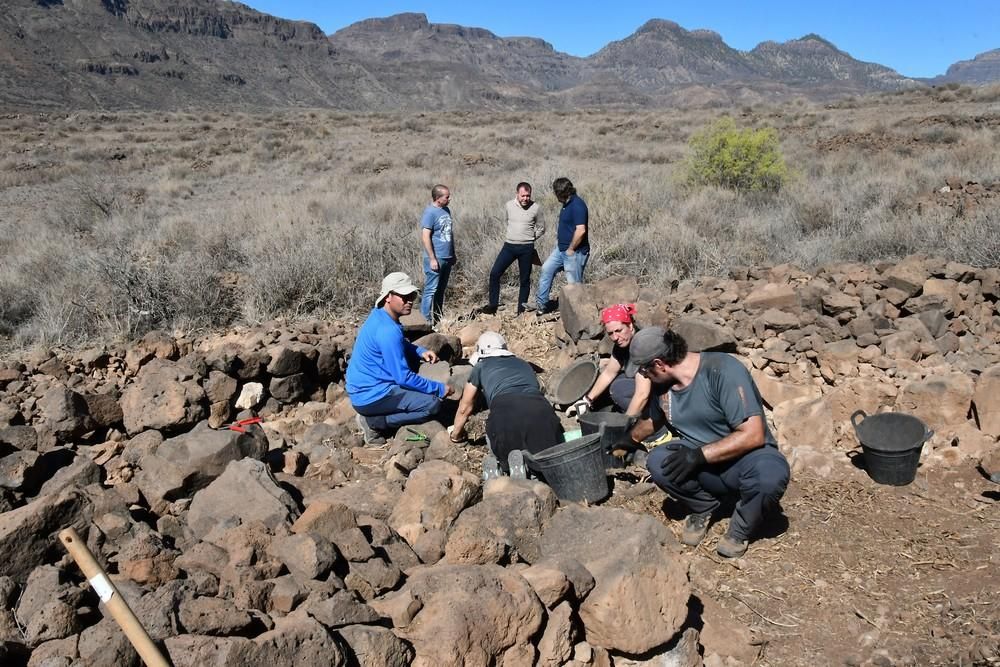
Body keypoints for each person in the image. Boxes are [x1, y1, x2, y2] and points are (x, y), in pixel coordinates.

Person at [617, 327, 790, 558]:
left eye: (644, 369)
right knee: (658, 461)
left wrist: (698, 456)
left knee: (770, 475)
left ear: (659, 364)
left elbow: (753, 434)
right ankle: (704, 506)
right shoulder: (663, 385)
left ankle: (740, 529)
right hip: (706, 466)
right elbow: (654, 420)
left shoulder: (723, 370)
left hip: (745, 460)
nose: (643, 375)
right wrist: (628, 440)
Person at [347, 272, 454, 444]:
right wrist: (438, 388)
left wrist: (418, 351)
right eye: (404, 296)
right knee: (432, 405)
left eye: (411, 295)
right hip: (371, 396)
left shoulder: (379, 315)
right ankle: (374, 423)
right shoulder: (388, 330)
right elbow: (403, 377)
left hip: (362, 389)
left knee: (414, 373)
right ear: (388, 297)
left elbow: (396, 345)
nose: (410, 300)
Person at [450, 332, 563, 474]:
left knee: (502, 444)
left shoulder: (480, 367)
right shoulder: (523, 363)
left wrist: (456, 435)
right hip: (541, 410)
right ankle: (535, 470)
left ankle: (509, 467)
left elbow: (465, 407)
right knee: (547, 460)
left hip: (504, 415)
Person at [571, 304, 652, 420]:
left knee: (618, 389)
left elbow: (643, 394)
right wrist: (586, 401)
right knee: (617, 380)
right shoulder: (622, 344)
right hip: (645, 384)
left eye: (619, 330)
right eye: (610, 333)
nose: (615, 337)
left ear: (630, 326)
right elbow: (609, 373)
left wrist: (624, 425)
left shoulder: (643, 345)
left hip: (662, 391)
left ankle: (655, 428)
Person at [483, 182, 544, 316]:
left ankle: (521, 311)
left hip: (527, 248)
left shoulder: (536, 208)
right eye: (523, 196)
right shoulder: (509, 205)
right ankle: (493, 305)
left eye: (528, 196)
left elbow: (541, 228)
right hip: (509, 246)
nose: (525, 199)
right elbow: (507, 221)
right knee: (494, 274)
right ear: (517, 194)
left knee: (525, 280)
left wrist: (530, 238)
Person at [535, 177, 589, 315]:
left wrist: (571, 248)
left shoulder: (577, 205)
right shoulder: (567, 204)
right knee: (547, 269)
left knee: (574, 286)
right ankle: (542, 305)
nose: (555, 196)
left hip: (574, 252)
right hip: (561, 249)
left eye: (556, 193)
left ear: (562, 193)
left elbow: (581, 230)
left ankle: (579, 314)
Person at [420, 184, 456, 324]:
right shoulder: (430, 213)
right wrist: (432, 258)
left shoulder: (446, 210)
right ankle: (425, 321)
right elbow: (425, 236)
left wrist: (453, 253)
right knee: (431, 290)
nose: (449, 199)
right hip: (436, 258)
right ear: (438, 198)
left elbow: (449, 233)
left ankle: (437, 318)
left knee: (441, 290)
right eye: (447, 197)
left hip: (447, 257)